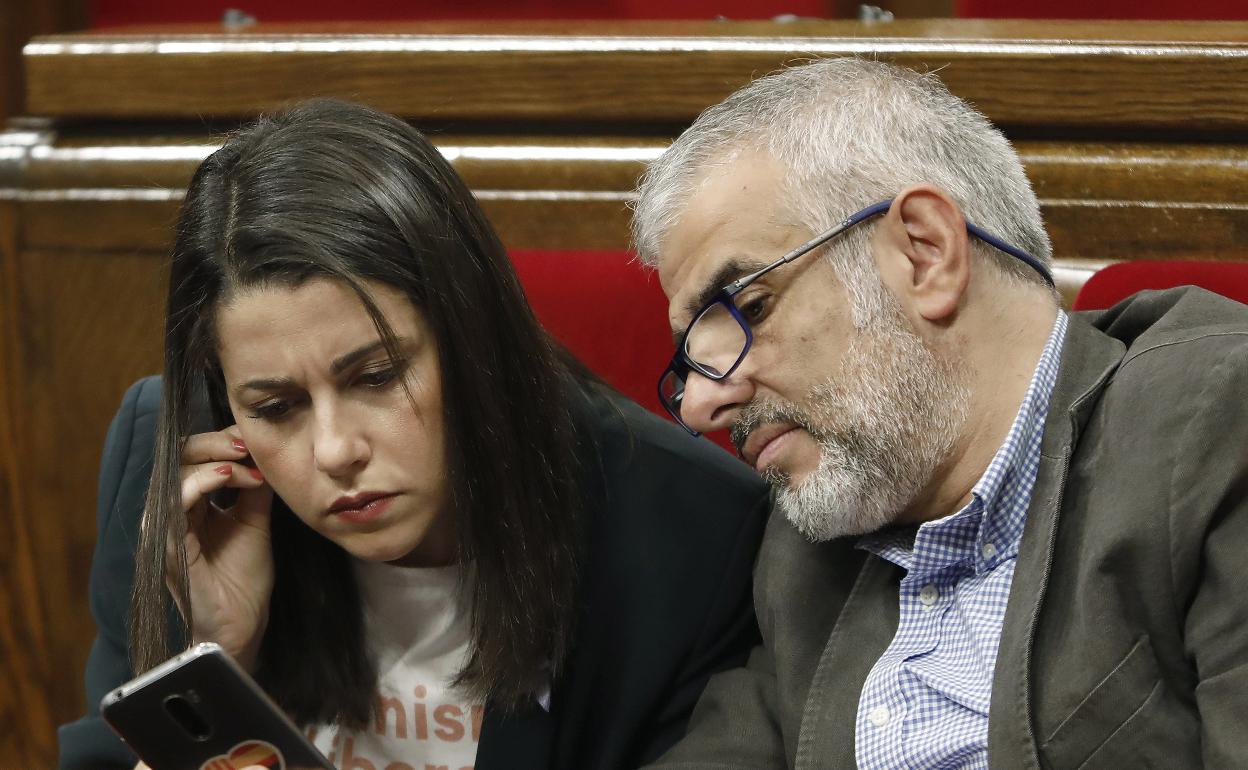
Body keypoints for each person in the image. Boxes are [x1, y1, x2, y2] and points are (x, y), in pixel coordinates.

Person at [57, 98, 770, 770]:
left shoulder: (689, 537)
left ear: (472, 336)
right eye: (276, 407)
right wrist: (216, 664)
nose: (335, 451)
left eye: (376, 376)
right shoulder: (182, 480)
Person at [633, 57, 1248, 769]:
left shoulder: (1215, 425)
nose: (703, 402)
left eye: (750, 308)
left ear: (925, 253)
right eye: (692, 359)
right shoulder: (811, 540)